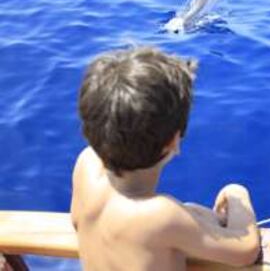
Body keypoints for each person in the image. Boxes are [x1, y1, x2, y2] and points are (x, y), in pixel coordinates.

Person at [71, 47, 260, 270]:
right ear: (173, 142)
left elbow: (83, 223)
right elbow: (245, 251)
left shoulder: (86, 164)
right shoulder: (160, 216)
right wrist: (237, 194)